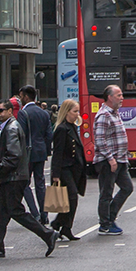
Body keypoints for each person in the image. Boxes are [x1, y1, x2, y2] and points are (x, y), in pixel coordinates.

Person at [0, 98, 56, 258]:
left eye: (1, 110)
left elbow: (14, 154)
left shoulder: (11, 128)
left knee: (15, 211)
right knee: (0, 212)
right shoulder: (9, 127)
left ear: (10, 111)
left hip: (13, 176)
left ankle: (47, 234)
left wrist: (1, 167)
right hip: (13, 176)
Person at [93, 85, 134, 236]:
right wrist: (110, 159)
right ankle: (105, 224)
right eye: (118, 95)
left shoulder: (115, 113)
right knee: (106, 192)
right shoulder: (104, 115)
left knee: (127, 187)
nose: (122, 98)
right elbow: (99, 140)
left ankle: (110, 217)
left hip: (121, 159)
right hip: (108, 161)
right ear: (109, 97)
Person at [48, 99, 88, 241]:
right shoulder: (61, 129)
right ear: (67, 112)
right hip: (65, 169)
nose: (77, 114)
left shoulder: (71, 127)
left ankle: (60, 224)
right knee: (71, 197)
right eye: (75, 111)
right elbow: (57, 153)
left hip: (74, 169)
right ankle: (64, 226)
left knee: (70, 198)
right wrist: (55, 174)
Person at [17, 86, 54, 225]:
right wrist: (45, 148)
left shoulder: (23, 113)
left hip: (27, 152)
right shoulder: (44, 113)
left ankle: (35, 213)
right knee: (40, 183)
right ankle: (45, 214)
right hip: (40, 151)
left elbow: (21, 134)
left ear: (26, 97)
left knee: (25, 183)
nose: (20, 99)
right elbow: (49, 135)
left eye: (21, 96)